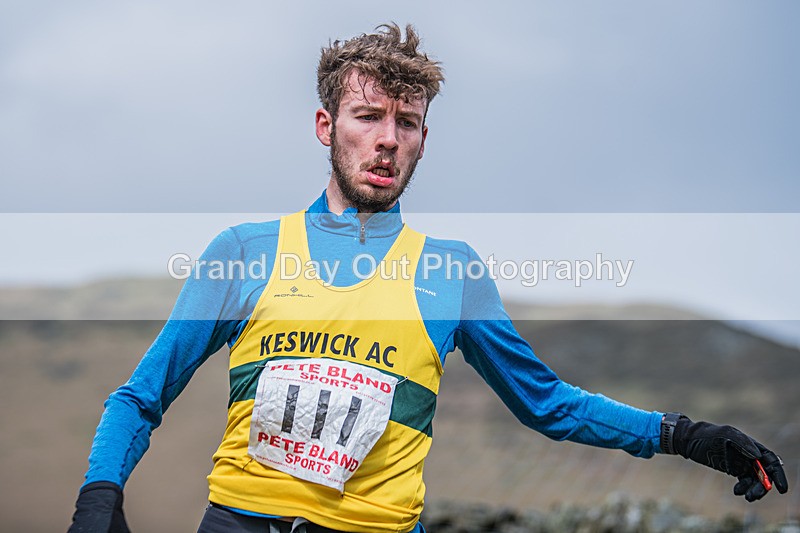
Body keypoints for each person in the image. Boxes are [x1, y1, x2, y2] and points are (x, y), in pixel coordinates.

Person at [69, 23, 788, 533]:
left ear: (423, 137)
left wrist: (686, 435)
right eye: (368, 115)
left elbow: (549, 404)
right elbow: (139, 397)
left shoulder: (452, 272)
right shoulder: (246, 252)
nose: (387, 138)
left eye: (406, 122)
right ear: (327, 126)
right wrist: (99, 499)